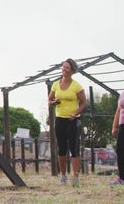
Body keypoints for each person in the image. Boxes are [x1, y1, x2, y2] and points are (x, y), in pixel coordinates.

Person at [48, 58, 87, 187]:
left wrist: (76, 113)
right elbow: (50, 100)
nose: (64, 70)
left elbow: (84, 102)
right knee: (62, 148)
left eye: (67, 68)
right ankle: (63, 176)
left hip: (73, 119)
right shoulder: (55, 84)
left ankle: (75, 178)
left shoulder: (77, 86)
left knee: (74, 148)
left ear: (73, 71)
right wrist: (54, 102)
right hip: (60, 119)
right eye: (63, 67)